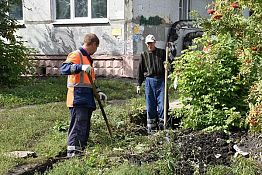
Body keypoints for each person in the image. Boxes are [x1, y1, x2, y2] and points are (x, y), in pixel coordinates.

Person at [60, 33, 107, 157]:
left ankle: (80, 151)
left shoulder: (88, 59)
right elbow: (64, 69)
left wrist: (98, 92)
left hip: (86, 99)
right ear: (93, 44)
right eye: (96, 48)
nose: (95, 51)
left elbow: (90, 81)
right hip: (77, 98)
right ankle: (72, 153)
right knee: (77, 127)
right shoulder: (77, 55)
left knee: (84, 127)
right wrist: (80, 67)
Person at [136, 34, 171, 134]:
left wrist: (168, 67)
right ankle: (151, 130)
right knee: (150, 105)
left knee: (163, 104)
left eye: (151, 43)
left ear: (154, 42)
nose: (149, 45)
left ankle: (163, 127)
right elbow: (140, 70)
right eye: (148, 44)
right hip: (149, 81)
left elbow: (170, 64)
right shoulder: (144, 55)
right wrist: (138, 84)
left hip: (161, 80)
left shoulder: (162, 53)